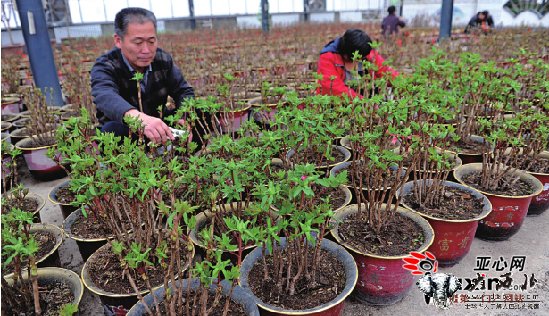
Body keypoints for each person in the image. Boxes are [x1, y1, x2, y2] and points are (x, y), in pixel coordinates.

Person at [91, 7, 202, 145]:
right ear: (118, 40)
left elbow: (183, 90)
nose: (146, 50)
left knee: (201, 114)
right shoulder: (106, 65)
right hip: (128, 130)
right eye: (138, 42)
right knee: (111, 132)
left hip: (160, 124)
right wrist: (139, 119)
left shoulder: (162, 59)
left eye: (151, 41)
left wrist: (184, 117)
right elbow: (104, 95)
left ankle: (179, 159)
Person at [316, 29, 399, 98]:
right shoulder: (328, 56)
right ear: (346, 54)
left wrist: (405, 84)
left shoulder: (366, 51)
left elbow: (386, 72)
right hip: (340, 103)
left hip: (363, 99)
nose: (358, 61)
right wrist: (362, 103)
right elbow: (333, 88)